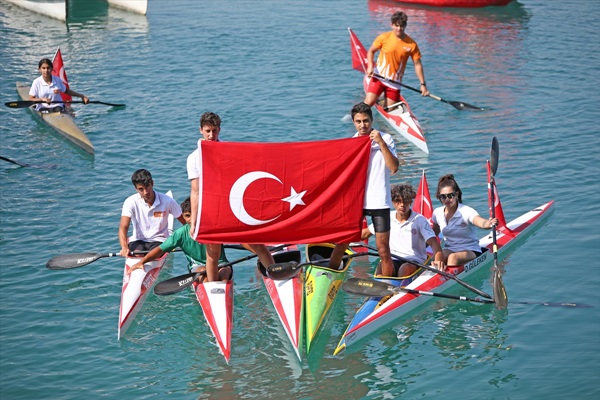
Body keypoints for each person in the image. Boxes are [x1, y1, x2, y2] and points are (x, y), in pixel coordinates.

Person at [186, 112, 275, 282]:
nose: (211, 135)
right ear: (201, 131)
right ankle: (213, 288)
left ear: (219, 130)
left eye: (215, 131)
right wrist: (194, 221)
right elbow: (196, 191)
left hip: (234, 206)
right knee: (213, 252)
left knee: (257, 244)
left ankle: (276, 276)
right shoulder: (193, 158)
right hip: (211, 209)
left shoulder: (230, 150)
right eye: (208, 131)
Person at [328, 102, 399, 276]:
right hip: (356, 201)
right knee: (342, 244)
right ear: (353, 122)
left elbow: (394, 168)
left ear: (372, 120)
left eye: (366, 121)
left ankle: (388, 286)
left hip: (379, 201)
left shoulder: (386, 138)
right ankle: (328, 277)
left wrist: (380, 143)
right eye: (358, 121)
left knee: (383, 250)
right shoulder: (351, 143)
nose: (363, 125)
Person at [128, 197, 231, 282]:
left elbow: (238, 238)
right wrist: (142, 262)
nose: (191, 220)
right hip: (198, 266)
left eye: (194, 215)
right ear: (183, 217)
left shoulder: (214, 228)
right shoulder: (180, 234)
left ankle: (222, 292)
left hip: (221, 264)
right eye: (187, 216)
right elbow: (160, 250)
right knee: (204, 274)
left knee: (224, 275)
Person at [362, 184, 444, 277]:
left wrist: (438, 260)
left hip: (414, 260)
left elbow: (434, 243)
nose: (402, 205)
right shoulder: (387, 218)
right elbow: (364, 234)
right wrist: (344, 238)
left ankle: (399, 288)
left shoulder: (419, 220)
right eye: (398, 201)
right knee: (381, 266)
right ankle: (381, 286)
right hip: (393, 259)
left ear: (410, 202)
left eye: (405, 201)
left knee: (404, 269)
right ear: (393, 202)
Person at [365, 11, 429, 109]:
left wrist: (423, 85)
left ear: (405, 26)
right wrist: (370, 67)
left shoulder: (412, 44)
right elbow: (370, 51)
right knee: (368, 103)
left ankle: (380, 101)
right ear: (392, 25)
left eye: (402, 26)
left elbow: (417, 65)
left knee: (390, 109)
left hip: (395, 83)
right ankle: (362, 108)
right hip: (378, 77)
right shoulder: (384, 37)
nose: (399, 29)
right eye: (396, 26)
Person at [431, 174, 498, 266]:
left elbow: (481, 222)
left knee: (453, 258)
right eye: (443, 196)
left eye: (450, 195)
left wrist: (489, 223)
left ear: (457, 194)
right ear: (439, 197)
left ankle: (449, 277)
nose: (447, 199)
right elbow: (432, 234)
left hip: (471, 249)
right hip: (449, 249)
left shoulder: (466, 211)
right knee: (439, 257)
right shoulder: (437, 213)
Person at [119, 169, 186, 257]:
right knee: (138, 254)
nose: (145, 192)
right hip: (138, 240)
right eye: (141, 189)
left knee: (152, 254)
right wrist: (124, 247)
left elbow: (185, 222)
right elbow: (123, 227)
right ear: (136, 189)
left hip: (159, 240)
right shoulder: (130, 202)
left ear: (152, 183)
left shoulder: (168, 201)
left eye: (147, 187)